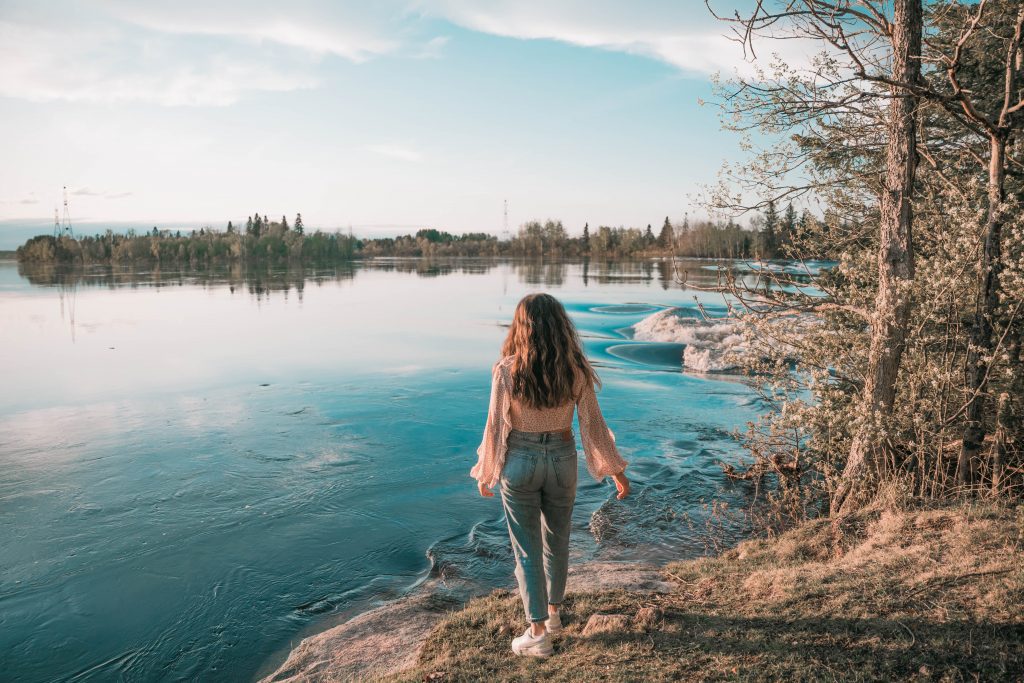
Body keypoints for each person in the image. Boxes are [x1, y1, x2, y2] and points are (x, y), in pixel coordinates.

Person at [470, 292, 630, 658]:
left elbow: (494, 426)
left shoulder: (507, 370)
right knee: (557, 542)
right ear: (561, 326)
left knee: (527, 550)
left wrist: (487, 470)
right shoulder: (575, 369)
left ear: (521, 327)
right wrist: (616, 472)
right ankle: (554, 615)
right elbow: (593, 426)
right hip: (561, 459)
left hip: (520, 463)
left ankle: (538, 633)